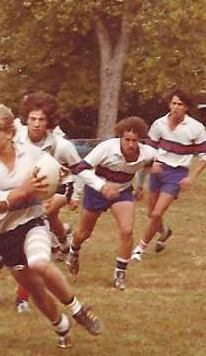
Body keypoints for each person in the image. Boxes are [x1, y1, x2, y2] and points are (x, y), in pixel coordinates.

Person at [0, 103, 99, 349]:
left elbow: (60, 171)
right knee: (36, 291)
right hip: (3, 235)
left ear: (9, 133)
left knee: (40, 262)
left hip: (32, 221)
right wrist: (24, 191)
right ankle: (61, 326)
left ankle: (78, 310)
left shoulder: (31, 153)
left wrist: (60, 179)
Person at [9, 92, 83, 313]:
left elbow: (79, 170)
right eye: (32, 119)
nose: (36, 124)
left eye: (41, 120)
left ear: (49, 122)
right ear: (26, 119)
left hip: (57, 187)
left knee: (30, 241)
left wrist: (75, 195)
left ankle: (22, 298)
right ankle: (63, 240)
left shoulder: (61, 145)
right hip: (26, 189)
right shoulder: (16, 137)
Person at [66, 116, 157, 290]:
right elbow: (80, 168)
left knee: (127, 230)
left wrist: (139, 186)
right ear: (120, 137)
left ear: (140, 141)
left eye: (135, 141)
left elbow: (149, 165)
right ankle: (74, 249)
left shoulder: (147, 153)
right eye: (127, 140)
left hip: (122, 192)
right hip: (96, 190)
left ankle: (119, 275)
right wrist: (101, 186)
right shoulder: (106, 148)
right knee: (84, 233)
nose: (130, 144)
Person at [131, 88, 206, 261]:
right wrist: (150, 168)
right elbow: (149, 151)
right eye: (174, 103)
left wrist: (192, 177)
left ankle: (140, 248)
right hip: (158, 170)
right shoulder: (159, 124)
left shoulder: (196, 128)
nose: (176, 107)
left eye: (180, 104)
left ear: (186, 108)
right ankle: (164, 232)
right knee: (151, 213)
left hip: (176, 174)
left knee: (156, 213)